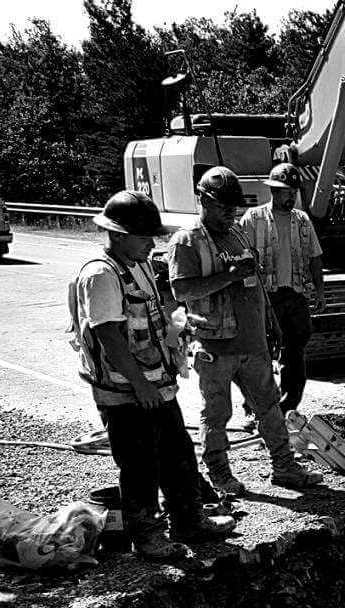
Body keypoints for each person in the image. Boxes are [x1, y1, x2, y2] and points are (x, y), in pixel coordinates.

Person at [69, 191, 235, 559]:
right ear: (118, 234)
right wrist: (140, 384)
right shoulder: (102, 274)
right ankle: (147, 537)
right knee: (140, 466)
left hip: (155, 385)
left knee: (178, 455)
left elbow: (152, 317)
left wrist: (178, 331)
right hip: (126, 392)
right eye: (144, 237)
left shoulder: (139, 265)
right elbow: (109, 336)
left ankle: (188, 521)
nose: (151, 244)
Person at [169, 166, 322, 495]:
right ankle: (220, 473)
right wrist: (229, 275)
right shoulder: (188, 240)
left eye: (233, 207)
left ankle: (284, 466)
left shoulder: (237, 233)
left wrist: (272, 324)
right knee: (216, 412)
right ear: (203, 200)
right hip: (216, 345)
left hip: (252, 342)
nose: (229, 212)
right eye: (222, 206)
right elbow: (182, 289)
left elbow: (257, 285)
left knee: (269, 407)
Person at [239, 162, 325, 415]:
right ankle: (255, 408)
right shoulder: (253, 218)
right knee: (261, 354)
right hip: (266, 297)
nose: (292, 196)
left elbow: (314, 258)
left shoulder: (302, 220)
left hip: (295, 295)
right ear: (274, 191)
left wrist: (320, 291)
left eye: (294, 191)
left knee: (295, 351)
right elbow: (240, 257)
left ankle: (287, 408)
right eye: (288, 191)